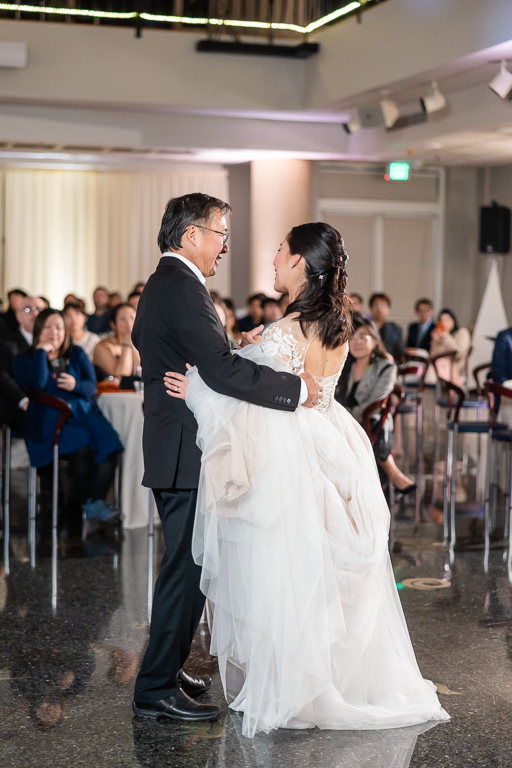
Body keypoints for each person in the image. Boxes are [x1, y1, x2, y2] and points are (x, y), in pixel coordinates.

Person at [165, 222, 448, 738]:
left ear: (299, 262)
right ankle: (324, 680)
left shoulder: (286, 330)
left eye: (279, 251)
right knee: (314, 577)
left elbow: (247, 394)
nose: (272, 259)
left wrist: (196, 389)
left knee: (281, 572)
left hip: (287, 454)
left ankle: (291, 686)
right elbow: (294, 384)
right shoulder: (335, 325)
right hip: (332, 442)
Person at [130, 192, 321, 725]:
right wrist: (294, 389)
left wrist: (233, 349)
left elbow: (201, 362)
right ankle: (153, 688)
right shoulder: (182, 287)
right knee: (185, 573)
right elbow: (215, 372)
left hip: (179, 442)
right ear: (192, 235)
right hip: (186, 450)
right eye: (221, 235)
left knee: (191, 567)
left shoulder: (168, 284)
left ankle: (165, 668)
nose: (224, 247)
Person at [12, 308, 123, 522]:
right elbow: (37, 384)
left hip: (83, 412)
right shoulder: (24, 358)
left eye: (59, 327)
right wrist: (41, 353)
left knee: (110, 443)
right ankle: (89, 503)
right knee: (81, 444)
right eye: (48, 327)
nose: (54, 332)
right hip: (50, 418)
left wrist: (76, 384)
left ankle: (95, 501)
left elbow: (91, 387)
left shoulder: (76, 353)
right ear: (38, 330)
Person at [335, 315, 416, 497]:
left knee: (373, 424)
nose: (357, 342)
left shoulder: (385, 366)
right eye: (352, 337)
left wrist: (347, 414)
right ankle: (392, 472)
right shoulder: (343, 364)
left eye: (363, 336)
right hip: (342, 420)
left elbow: (377, 400)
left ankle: (372, 490)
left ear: (375, 340)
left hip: (369, 418)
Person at [0, 296, 47, 432]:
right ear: (19, 317)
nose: (35, 313)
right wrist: (22, 400)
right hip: (17, 403)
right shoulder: (7, 343)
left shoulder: (55, 338)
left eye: (39, 309)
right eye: (28, 309)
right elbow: (2, 377)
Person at [93, 303, 140, 380]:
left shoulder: (142, 343)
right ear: (113, 324)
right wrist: (127, 344)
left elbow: (142, 373)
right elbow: (122, 377)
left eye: (132, 317)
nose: (129, 322)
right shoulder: (102, 347)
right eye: (122, 319)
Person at [430, 308, 471, 385]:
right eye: (441, 320)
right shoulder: (439, 335)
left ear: (453, 320)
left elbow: (458, 353)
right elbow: (433, 356)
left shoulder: (462, 332)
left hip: (454, 368)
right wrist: (435, 342)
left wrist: (446, 336)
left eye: (446, 320)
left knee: (430, 375)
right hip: (437, 366)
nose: (443, 323)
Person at [369, 292, 405, 361]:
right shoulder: (364, 328)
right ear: (371, 308)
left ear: (388, 309)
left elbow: (400, 353)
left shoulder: (396, 329)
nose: (379, 308)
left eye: (383, 305)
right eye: (376, 304)